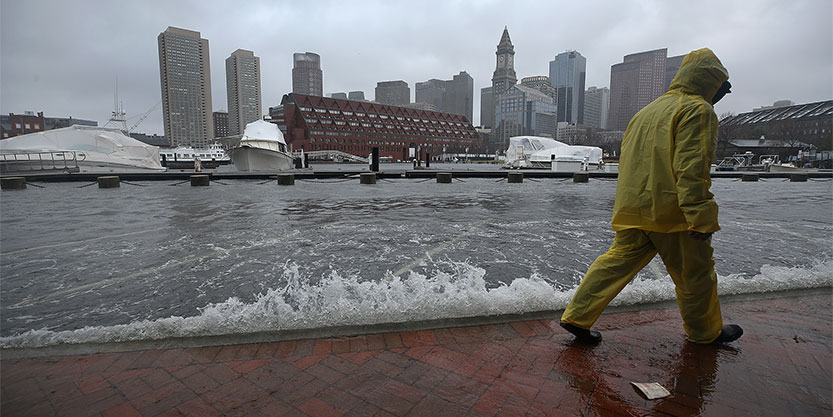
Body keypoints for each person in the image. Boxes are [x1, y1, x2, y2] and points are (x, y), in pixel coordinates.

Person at [559, 48, 742, 345]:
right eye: (721, 88)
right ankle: (706, 332)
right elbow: (692, 168)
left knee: (615, 263)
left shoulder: (646, 112)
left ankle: (577, 316)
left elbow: (633, 162)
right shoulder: (698, 110)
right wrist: (700, 217)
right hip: (673, 213)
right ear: (710, 83)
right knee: (695, 274)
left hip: (634, 208)